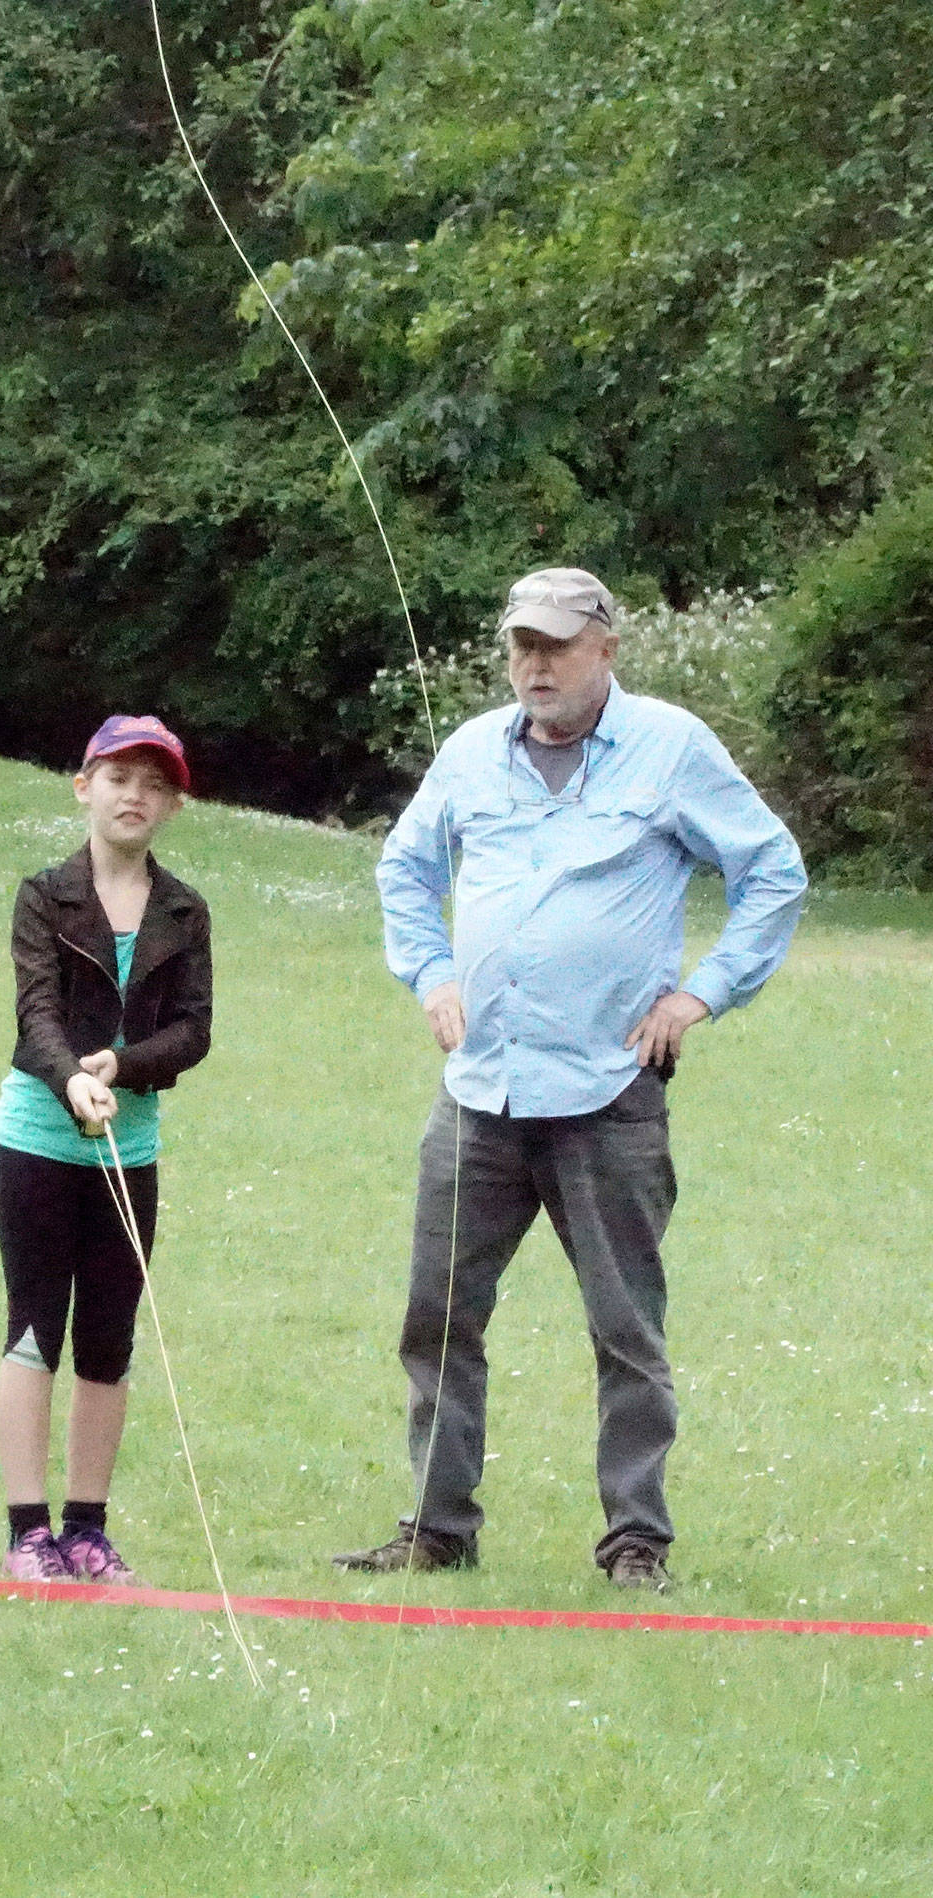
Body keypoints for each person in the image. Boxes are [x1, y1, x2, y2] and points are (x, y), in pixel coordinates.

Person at [335, 568, 807, 1589]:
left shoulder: (671, 747)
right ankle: (434, 1527)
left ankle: (635, 1539)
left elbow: (771, 871)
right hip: (480, 1091)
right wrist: (430, 972)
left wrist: (698, 995)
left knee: (624, 1328)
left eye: (553, 644)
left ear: (605, 646)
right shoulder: (469, 752)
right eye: (519, 645)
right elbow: (404, 869)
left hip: (609, 1092)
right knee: (436, 1314)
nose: (532, 664)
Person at [0, 714, 211, 1582]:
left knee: (109, 1341)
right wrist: (71, 1079)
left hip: (130, 1152)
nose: (137, 796)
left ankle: (87, 1528)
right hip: (38, 1141)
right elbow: (36, 1012)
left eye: (156, 785)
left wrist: (126, 1065)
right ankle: (26, 1535)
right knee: (36, 1328)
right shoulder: (45, 894)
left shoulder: (184, 910)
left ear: (172, 806)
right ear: (84, 787)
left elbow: (194, 1031)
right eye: (121, 778)